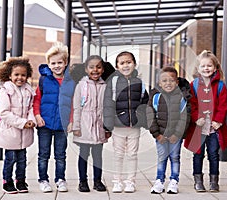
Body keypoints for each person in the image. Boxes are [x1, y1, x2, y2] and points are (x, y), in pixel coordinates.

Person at [184, 50, 227, 192]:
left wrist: (218, 121)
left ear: (215, 68)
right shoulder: (193, 85)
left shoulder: (221, 86)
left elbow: (223, 106)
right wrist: (196, 117)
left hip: (214, 128)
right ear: (198, 68)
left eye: (209, 66)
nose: (206, 68)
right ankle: (198, 181)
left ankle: (214, 181)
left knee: (213, 155)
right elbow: (191, 104)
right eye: (203, 66)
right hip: (199, 127)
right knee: (198, 154)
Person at [103, 51, 149, 193]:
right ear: (117, 66)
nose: (126, 65)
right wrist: (108, 125)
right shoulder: (113, 82)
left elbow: (144, 102)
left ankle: (130, 182)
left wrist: (141, 119)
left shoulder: (139, 82)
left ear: (134, 64)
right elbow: (108, 104)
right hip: (118, 125)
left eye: (128, 62)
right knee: (118, 154)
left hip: (134, 126)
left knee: (132, 155)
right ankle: (117, 181)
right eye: (122, 63)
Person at [0, 57, 36, 194]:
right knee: (10, 159)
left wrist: (31, 120)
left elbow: (30, 108)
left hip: (24, 134)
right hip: (10, 132)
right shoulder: (5, 90)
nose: (20, 78)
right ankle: (8, 181)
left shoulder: (28, 90)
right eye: (16, 74)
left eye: (23, 75)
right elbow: (4, 113)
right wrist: (23, 123)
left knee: (22, 159)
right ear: (9, 75)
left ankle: (21, 180)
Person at [146, 67, 191, 194]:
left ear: (177, 82)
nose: (168, 83)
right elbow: (150, 116)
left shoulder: (182, 97)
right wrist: (156, 134)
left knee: (175, 157)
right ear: (159, 83)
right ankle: (159, 180)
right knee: (162, 158)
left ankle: (174, 181)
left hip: (175, 136)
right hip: (160, 135)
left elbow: (185, 118)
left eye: (171, 80)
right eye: (164, 81)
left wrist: (177, 134)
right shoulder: (155, 97)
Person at [33, 42, 69, 193]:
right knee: (43, 154)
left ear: (65, 63)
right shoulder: (43, 80)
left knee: (60, 155)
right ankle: (43, 179)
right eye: (53, 63)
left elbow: (73, 102)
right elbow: (37, 99)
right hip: (45, 124)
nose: (56, 66)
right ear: (48, 64)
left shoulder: (70, 81)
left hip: (62, 124)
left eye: (60, 62)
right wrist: (37, 115)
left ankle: (60, 179)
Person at [71, 55, 110, 192]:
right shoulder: (81, 86)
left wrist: (107, 127)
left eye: (98, 67)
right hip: (84, 125)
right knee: (84, 154)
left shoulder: (105, 86)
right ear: (86, 69)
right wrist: (76, 126)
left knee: (98, 156)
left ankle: (98, 181)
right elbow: (77, 107)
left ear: (103, 69)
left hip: (99, 125)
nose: (95, 70)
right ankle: (82, 181)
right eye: (91, 67)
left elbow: (107, 108)